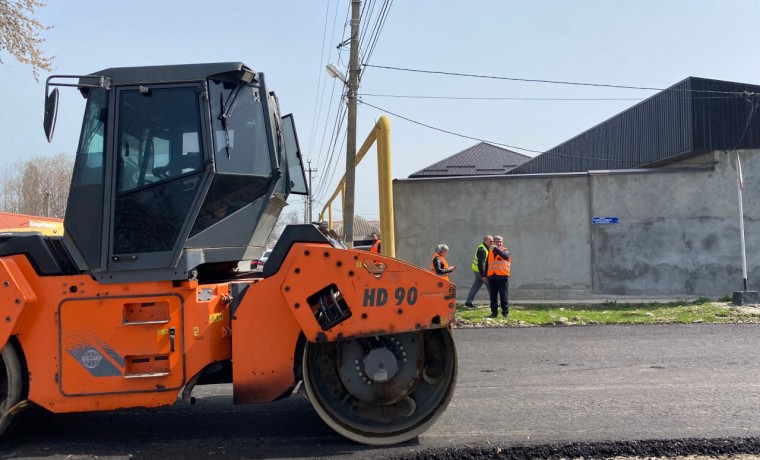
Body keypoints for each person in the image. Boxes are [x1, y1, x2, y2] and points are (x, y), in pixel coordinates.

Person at [465, 235, 493, 307]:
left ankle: (468, 301)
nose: (491, 242)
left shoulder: (484, 247)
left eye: (492, 241)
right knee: (491, 286)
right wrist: (483, 275)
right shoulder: (482, 250)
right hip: (481, 271)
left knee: (476, 285)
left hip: (477, 270)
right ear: (485, 241)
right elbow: (481, 263)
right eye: (490, 241)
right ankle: (493, 302)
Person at [487, 235, 511, 318]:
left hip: (502, 277)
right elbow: (488, 264)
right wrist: (485, 275)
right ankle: (494, 313)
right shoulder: (490, 252)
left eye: (500, 241)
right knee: (493, 297)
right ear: (493, 242)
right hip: (492, 277)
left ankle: (505, 313)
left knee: (503, 296)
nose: (499, 243)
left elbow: (504, 256)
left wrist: (496, 248)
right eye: (497, 241)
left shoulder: (506, 250)